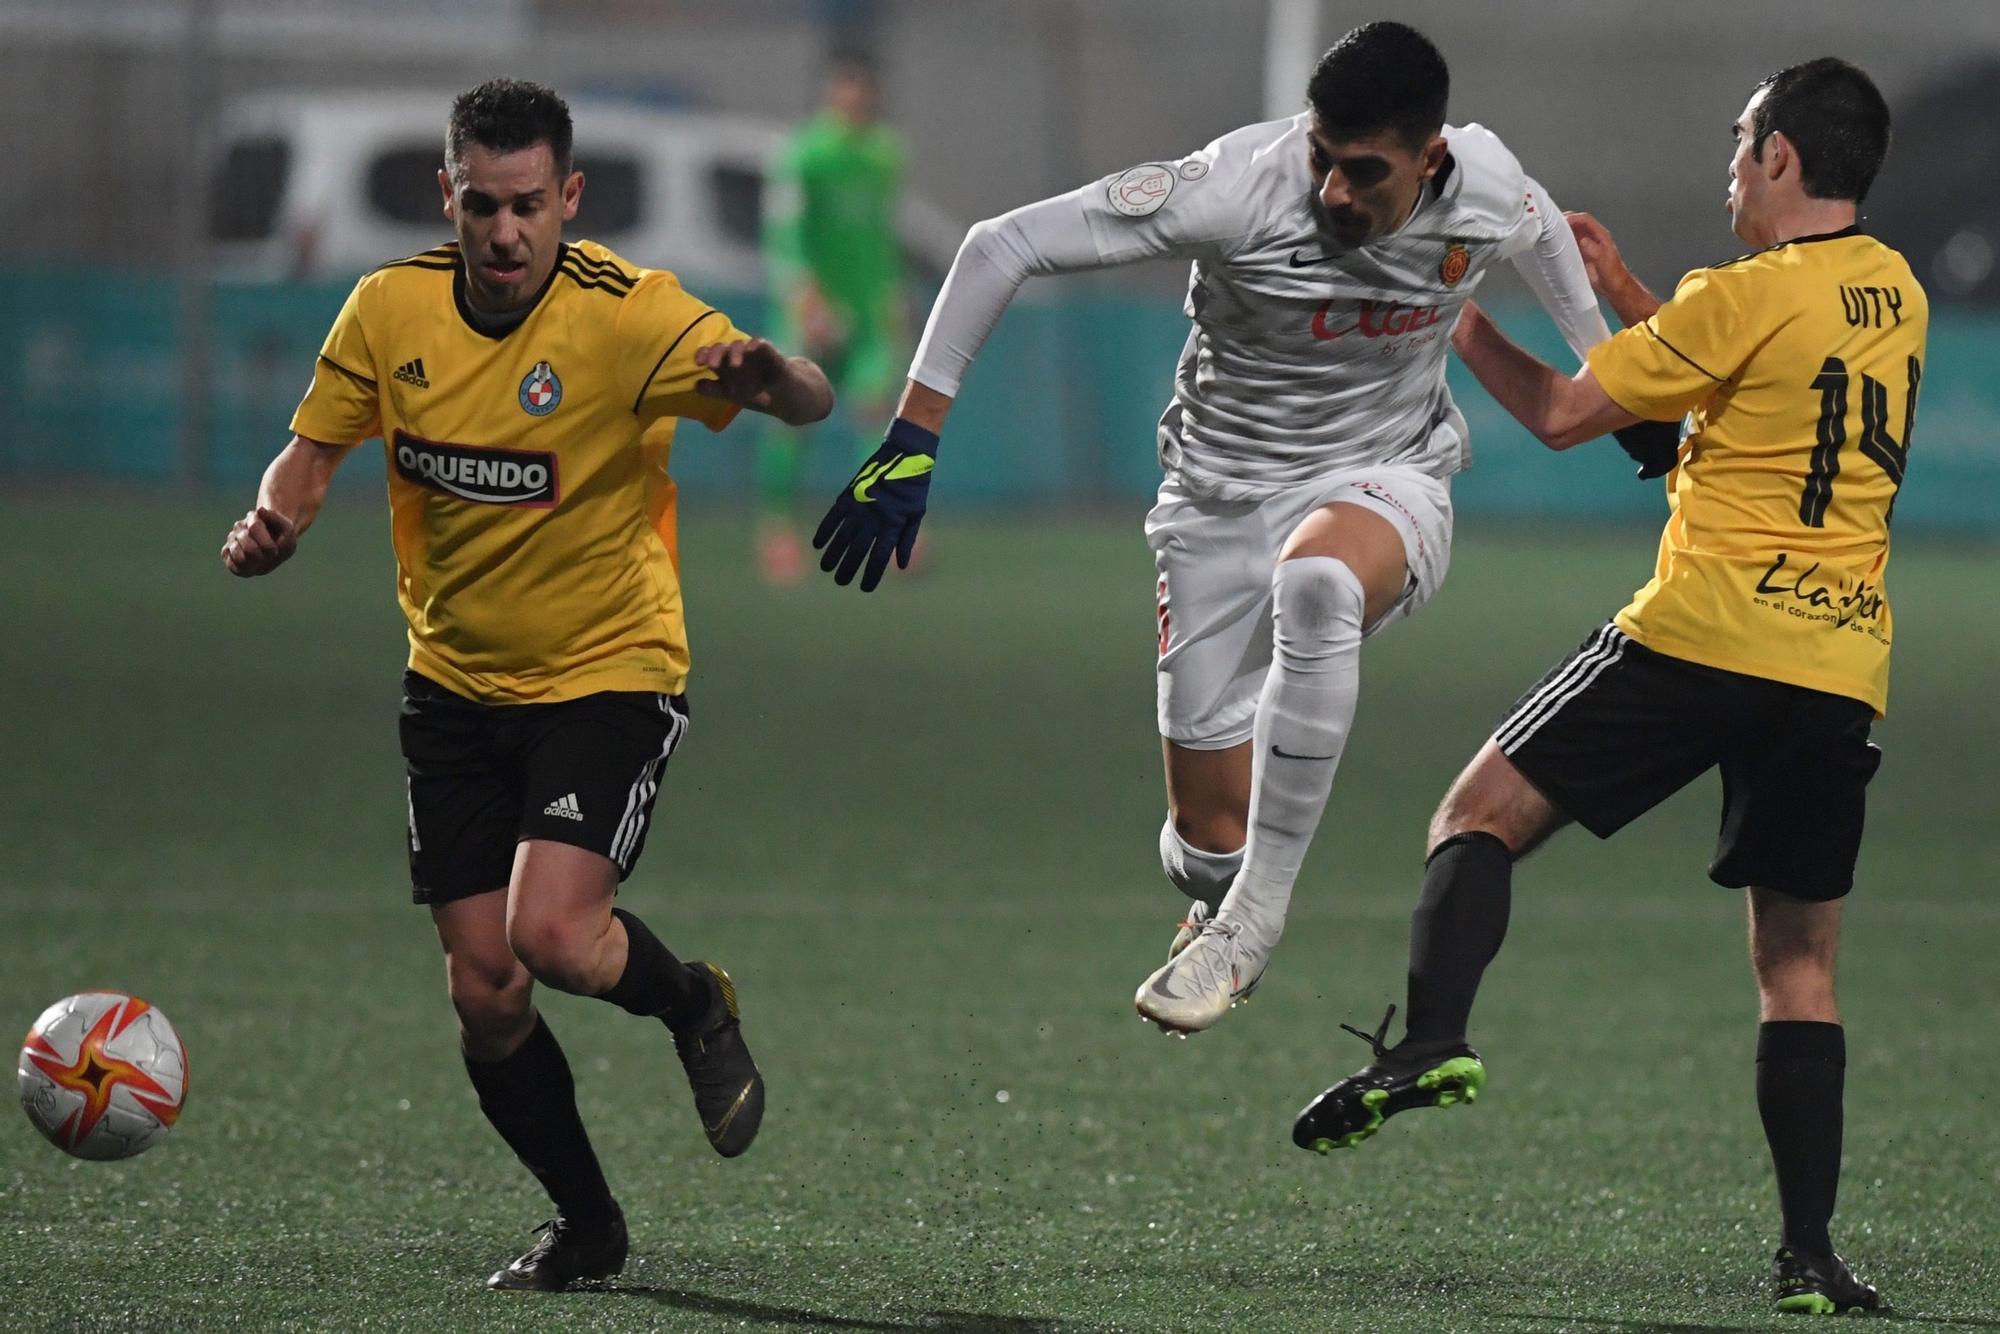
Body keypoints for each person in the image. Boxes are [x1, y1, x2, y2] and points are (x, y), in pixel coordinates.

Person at [811, 21, 1675, 1034]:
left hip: (1386, 477)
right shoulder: (1232, 185)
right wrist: (914, 435)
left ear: (1429, 157)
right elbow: (996, 245)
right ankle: (1224, 887)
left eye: (1363, 169)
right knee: (1202, 841)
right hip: (1216, 507)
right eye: (1321, 158)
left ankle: (1250, 926)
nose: (1334, 191)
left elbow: (1558, 282)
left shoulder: (1485, 182)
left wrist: (1622, 392)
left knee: (1315, 584)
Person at [1291, 58, 1920, 1317]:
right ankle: (1808, 1253)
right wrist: (1630, 291)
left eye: (1740, 143)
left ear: (1781, 159)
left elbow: (1572, 414)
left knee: (1474, 815)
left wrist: (1456, 318)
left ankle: (1431, 1039)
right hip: (1839, 658)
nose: (1730, 164)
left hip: (1698, 635)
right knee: (1797, 968)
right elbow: (1745, 378)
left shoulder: (1736, 293)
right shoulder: (1889, 289)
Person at [220, 80, 834, 1292]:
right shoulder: (387, 307)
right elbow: (312, 450)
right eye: (482, 205)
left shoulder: (627, 315)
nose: (505, 234)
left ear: (571, 200)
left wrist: (768, 371)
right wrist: (273, 519)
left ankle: (693, 1002)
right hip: (450, 685)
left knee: (549, 934)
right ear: (448, 194)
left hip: (609, 671)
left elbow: (803, 398)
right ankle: (589, 1223)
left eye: (529, 207)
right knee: (485, 992)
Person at [757, 52, 908, 583]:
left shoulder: (885, 155)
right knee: (792, 421)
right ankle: (778, 532)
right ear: (830, 92)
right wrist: (806, 302)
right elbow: (786, 239)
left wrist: (889, 297)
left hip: (866, 315)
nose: (855, 99)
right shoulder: (805, 156)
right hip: (812, 314)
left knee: (877, 417)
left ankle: (884, 532)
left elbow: (883, 238)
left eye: (863, 89)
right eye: (846, 88)